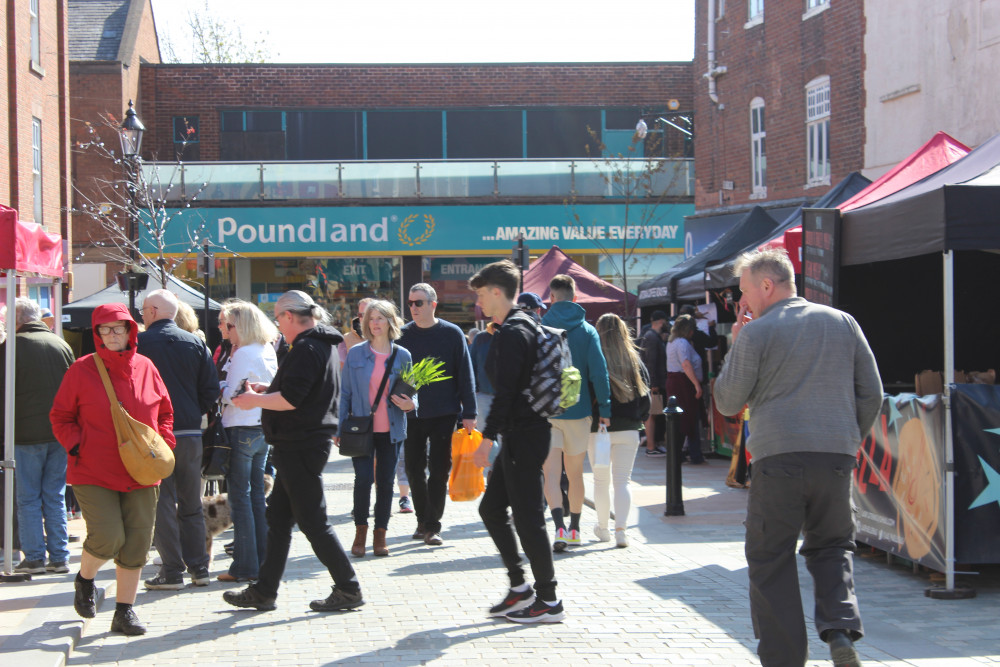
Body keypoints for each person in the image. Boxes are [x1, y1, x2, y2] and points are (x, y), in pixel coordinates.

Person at [713, 249, 882, 667]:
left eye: (745, 291)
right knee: (832, 545)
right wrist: (847, 438)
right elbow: (872, 394)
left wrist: (736, 344)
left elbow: (727, 400)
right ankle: (840, 630)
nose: (742, 302)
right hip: (835, 455)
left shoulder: (755, 333)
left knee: (771, 557)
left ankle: (784, 659)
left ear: (767, 286)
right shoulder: (843, 322)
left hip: (778, 458)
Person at [225, 290, 363, 612]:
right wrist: (267, 390)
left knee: (313, 522)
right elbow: (296, 391)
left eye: (278, 317)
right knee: (279, 519)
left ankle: (349, 587)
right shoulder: (322, 344)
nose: (277, 324)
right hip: (299, 443)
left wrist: (255, 400)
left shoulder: (307, 347)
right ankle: (264, 590)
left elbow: (292, 400)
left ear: (290, 316)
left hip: (300, 444)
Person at [50, 303, 175, 635]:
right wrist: (77, 446)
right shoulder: (81, 369)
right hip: (93, 470)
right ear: (96, 334)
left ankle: (125, 611)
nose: (112, 335)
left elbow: (165, 413)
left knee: (136, 544)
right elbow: (60, 417)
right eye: (104, 330)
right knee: (107, 537)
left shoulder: (147, 367)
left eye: (118, 328)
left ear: (131, 330)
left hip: (143, 471)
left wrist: (164, 443)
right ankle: (85, 578)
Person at [469, 260, 564, 623]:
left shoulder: (513, 331)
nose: (479, 301)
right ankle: (520, 588)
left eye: (481, 293)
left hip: (523, 435)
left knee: (527, 519)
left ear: (497, 291)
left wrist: (485, 438)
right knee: (491, 510)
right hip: (524, 433)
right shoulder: (520, 323)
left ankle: (549, 600)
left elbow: (505, 394)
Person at [138, 289, 220, 590]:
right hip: (188, 433)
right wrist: (191, 411)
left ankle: (172, 570)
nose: (141, 315)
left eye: (144, 310)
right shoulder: (196, 343)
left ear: (153, 311)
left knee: (162, 503)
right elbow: (211, 391)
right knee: (190, 502)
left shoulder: (140, 344)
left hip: (154, 434)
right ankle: (199, 568)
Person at [398, 283, 476, 547]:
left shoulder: (452, 333)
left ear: (433, 304)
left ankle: (433, 525)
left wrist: (470, 412)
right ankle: (423, 519)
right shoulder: (402, 335)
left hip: (444, 411)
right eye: (410, 303)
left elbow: (466, 374)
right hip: (410, 414)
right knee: (413, 469)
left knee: (439, 470)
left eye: (418, 303)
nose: (413, 308)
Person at [337, 300, 415, 557]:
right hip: (362, 429)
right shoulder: (357, 353)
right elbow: (345, 393)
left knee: (385, 483)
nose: (375, 323)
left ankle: (380, 535)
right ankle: (360, 533)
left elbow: (413, 393)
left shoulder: (403, 355)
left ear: (391, 321)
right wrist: (339, 427)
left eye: (381, 318)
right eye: (371, 319)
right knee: (363, 481)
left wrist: (410, 405)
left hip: (392, 431)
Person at [3, 299, 75, 575]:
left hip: (24, 434)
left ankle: (34, 555)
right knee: (54, 495)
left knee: (29, 497)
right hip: (59, 433)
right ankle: (59, 556)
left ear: (17, 320)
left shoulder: (11, 349)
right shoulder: (61, 345)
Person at [540, 274, 611, 551]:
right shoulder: (588, 330)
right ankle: (575, 529)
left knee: (551, 474)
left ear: (552, 297)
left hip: (548, 412)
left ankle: (558, 528)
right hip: (579, 411)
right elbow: (599, 372)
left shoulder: (541, 327)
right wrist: (604, 408)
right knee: (576, 474)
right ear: (576, 297)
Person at [217, 301, 279, 582]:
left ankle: (244, 565)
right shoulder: (266, 349)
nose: (226, 331)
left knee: (240, 498)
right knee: (255, 496)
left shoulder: (244, 353)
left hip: (241, 427)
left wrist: (218, 389)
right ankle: (262, 559)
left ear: (240, 325)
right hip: (261, 426)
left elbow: (233, 393)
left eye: (229, 325)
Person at [588, 313, 650, 549]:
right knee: (623, 481)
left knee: (600, 481)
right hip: (629, 428)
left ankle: (603, 528)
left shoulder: (594, 358)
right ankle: (621, 530)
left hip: (598, 429)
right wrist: (638, 419)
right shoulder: (635, 360)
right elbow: (646, 398)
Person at [665, 315, 705, 464]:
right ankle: (693, 454)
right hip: (683, 384)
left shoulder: (672, 342)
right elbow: (686, 364)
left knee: (681, 419)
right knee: (689, 418)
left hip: (676, 383)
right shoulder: (682, 343)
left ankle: (679, 452)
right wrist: (696, 384)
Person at [640, 310, 668, 457]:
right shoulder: (652, 337)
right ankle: (651, 446)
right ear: (660, 322)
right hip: (653, 384)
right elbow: (651, 362)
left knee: (654, 413)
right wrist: (653, 385)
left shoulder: (652, 336)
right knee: (652, 414)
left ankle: (653, 445)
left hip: (653, 383)